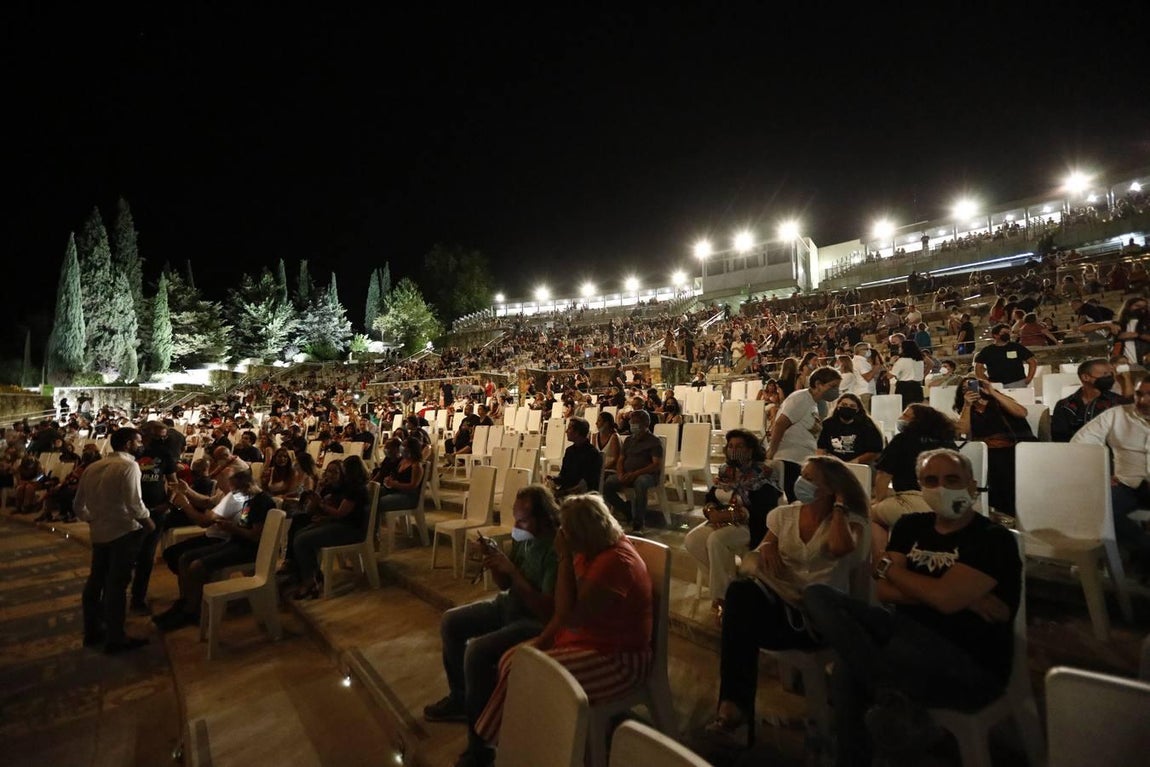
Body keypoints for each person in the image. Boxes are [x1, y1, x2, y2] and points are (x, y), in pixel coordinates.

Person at [804, 448, 1021, 767]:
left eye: (952, 479)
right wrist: (949, 595)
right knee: (818, 596)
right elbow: (884, 587)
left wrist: (899, 574)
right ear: (920, 487)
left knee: (848, 667)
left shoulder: (992, 539)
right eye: (931, 481)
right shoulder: (910, 526)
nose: (942, 488)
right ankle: (888, 694)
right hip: (903, 633)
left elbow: (918, 589)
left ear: (972, 486)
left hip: (967, 661)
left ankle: (857, 746)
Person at [472, 494, 653, 761]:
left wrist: (564, 560)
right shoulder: (589, 551)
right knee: (514, 660)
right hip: (586, 641)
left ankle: (501, 745)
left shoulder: (614, 562)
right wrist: (541, 642)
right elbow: (561, 612)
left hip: (617, 657)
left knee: (524, 673)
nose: (560, 534)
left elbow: (569, 615)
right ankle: (517, 742)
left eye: (566, 531)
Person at [703, 455, 867, 745]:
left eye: (809, 478)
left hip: (819, 620)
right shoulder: (786, 515)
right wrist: (766, 547)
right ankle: (733, 708)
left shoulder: (848, 523)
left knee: (739, 626)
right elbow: (761, 549)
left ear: (829, 488)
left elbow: (841, 548)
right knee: (740, 593)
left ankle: (735, 714)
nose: (800, 482)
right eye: (802, 475)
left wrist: (840, 505)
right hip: (784, 608)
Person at [425, 484, 560, 767]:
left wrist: (511, 570)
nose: (517, 525)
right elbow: (505, 585)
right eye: (516, 518)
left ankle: (480, 746)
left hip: (532, 621)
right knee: (452, 621)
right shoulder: (525, 540)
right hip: (508, 605)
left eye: (523, 520)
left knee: (477, 652)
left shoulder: (555, 550)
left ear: (543, 518)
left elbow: (546, 610)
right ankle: (461, 698)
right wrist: (497, 563)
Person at [152, 469, 276, 631]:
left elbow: (254, 536)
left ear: (248, 485)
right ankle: (185, 603)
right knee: (184, 558)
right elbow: (241, 523)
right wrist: (229, 525)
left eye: (237, 490)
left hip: (248, 549)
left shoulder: (262, 502)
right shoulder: (247, 498)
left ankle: (191, 610)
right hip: (236, 541)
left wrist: (232, 528)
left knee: (197, 565)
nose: (234, 494)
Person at [683, 429, 781, 623]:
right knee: (692, 539)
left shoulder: (762, 472)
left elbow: (767, 506)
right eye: (731, 446)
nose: (734, 450)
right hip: (723, 520)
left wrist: (735, 515)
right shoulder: (725, 471)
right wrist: (712, 511)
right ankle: (728, 585)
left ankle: (722, 598)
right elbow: (712, 496)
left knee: (716, 540)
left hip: (750, 524)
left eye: (739, 447)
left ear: (751, 450)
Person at [75, 427, 155, 654]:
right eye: (138, 441)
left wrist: (93, 519)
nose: (141, 445)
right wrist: (148, 523)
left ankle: (92, 630)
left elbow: (78, 505)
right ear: (129, 444)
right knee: (117, 585)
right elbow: (134, 503)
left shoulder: (93, 467)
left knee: (95, 581)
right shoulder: (129, 466)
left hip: (99, 533)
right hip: (123, 532)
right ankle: (115, 637)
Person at [1071, 376, 1150, 577]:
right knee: (1097, 509)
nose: (1143, 401)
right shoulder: (1117, 415)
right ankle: (1144, 551)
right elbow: (1079, 444)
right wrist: (1101, 473)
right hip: (1127, 485)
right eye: (1140, 394)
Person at [870, 403, 959, 557]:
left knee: (869, 514)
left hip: (913, 501)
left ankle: (882, 561)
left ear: (918, 421)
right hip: (947, 505)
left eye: (905, 416)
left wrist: (879, 501)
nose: (900, 418)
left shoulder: (902, 440)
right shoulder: (948, 443)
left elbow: (883, 475)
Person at [288, 455, 373, 599]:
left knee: (302, 540)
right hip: (342, 524)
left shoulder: (356, 490)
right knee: (300, 533)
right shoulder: (351, 487)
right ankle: (311, 574)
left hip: (351, 530)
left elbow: (341, 513)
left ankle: (310, 582)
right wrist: (324, 517)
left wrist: (321, 504)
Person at [954, 376, 1035, 518]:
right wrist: (967, 406)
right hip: (986, 451)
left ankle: (1010, 512)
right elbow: (962, 432)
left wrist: (993, 392)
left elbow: (1022, 412)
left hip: (1011, 447)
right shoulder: (967, 410)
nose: (969, 388)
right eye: (964, 388)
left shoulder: (997, 402)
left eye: (973, 385)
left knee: (1001, 465)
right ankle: (997, 512)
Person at [763, 366, 843, 501]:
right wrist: (771, 452)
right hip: (790, 460)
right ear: (818, 384)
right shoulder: (801, 398)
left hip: (801, 461)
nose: (835, 391)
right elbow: (781, 424)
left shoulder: (813, 403)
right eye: (833, 386)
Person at [129, 420, 180, 615]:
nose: (162, 440)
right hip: (131, 511)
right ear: (145, 434)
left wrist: (168, 503)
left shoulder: (165, 454)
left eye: (164, 436)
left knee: (147, 556)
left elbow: (173, 482)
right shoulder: (133, 453)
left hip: (156, 510)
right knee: (127, 554)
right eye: (158, 436)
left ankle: (137, 598)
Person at [601, 409, 663, 532]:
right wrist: (620, 473)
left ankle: (638, 522)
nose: (632, 425)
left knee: (640, 483)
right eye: (631, 422)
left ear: (645, 424)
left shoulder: (654, 441)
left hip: (646, 474)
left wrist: (635, 473)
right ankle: (627, 510)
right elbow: (621, 459)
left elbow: (656, 464)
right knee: (608, 483)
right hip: (627, 473)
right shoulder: (629, 440)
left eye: (636, 422)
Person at [1050, 358, 1130, 442]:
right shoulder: (1065, 406)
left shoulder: (1117, 402)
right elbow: (1060, 439)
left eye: (1111, 374)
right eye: (1105, 374)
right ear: (1085, 377)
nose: (1109, 377)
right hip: (1075, 451)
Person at [817, 393, 884, 465]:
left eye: (852, 406)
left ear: (858, 409)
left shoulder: (867, 425)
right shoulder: (828, 424)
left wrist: (851, 464)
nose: (847, 408)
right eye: (844, 405)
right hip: (833, 465)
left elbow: (875, 452)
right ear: (838, 406)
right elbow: (821, 448)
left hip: (860, 465)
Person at [546, 417, 602, 499]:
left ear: (577, 432)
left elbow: (585, 484)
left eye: (569, 428)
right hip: (567, 491)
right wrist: (553, 479)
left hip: (582, 496)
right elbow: (563, 475)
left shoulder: (592, 453)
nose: (566, 431)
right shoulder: (569, 451)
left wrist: (562, 493)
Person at [974, 323, 1036, 389]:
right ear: (995, 335)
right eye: (1003, 332)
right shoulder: (987, 350)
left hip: (1017, 383)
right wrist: (985, 381)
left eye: (1008, 332)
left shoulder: (1017, 347)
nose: (1007, 334)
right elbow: (978, 366)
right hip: (996, 385)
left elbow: (1032, 361)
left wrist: (1029, 378)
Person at [377, 436, 425, 512]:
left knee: (380, 502)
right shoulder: (403, 460)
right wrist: (390, 480)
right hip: (396, 490)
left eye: (404, 446)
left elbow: (412, 486)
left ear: (411, 449)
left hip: (408, 496)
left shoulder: (416, 466)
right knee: (372, 494)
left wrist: (394, 484)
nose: (401, 448)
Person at [593, 411, 622, 483]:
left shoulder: (614, 437)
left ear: (606, 423)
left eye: (599, 421)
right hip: (599, 468)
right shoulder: (595, 436)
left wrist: (602, 468)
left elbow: (615, 459)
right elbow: (594, 454)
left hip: (610, 469)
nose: (596, 423)